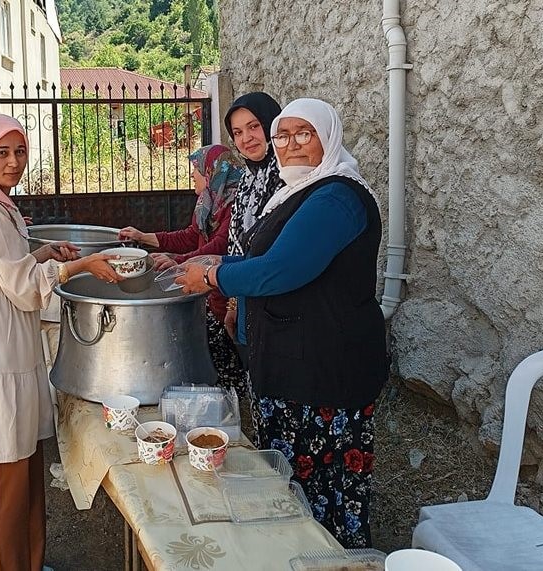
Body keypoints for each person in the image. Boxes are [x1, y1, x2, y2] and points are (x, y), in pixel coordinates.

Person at [176, 98, 388, 548]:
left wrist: (213, 275)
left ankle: (330, 556)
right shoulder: (296, 189)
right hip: (294, 362)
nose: (290, 145)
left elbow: (281, 270)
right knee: (291, 483)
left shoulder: (337, 196)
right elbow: (260, 258)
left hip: (325, 369)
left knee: (324, 490)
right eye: (283, 136)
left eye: (302, 134)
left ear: (327, 136)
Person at [0, 114, 119, 571]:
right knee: (4, 477)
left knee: (23, 469)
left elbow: (5, 265)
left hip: (7, 343)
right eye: (2, 153)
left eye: (19, 151)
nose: (13, 162)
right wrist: (82, 266)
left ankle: (29, 561)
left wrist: (44, 251)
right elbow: (21, 285)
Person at [118, 144, 250, 403]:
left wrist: (177, 262)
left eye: (197, 170)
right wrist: (144, 237)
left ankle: (233, 411)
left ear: (212, 173)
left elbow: (219, 247)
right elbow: (191, 236)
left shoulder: (234, 206)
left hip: (225, 294)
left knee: (229, 361)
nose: (193, 175)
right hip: (207, 293)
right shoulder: (208, 203)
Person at [222, 92, 283, 349]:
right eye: (237, 132)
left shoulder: (289, 176)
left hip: (280, 298)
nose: (246, 139)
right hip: (248, 293)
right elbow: (238, 242)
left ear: (272, 125)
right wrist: (235, 302)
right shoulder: (247, 179)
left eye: (254, 127)